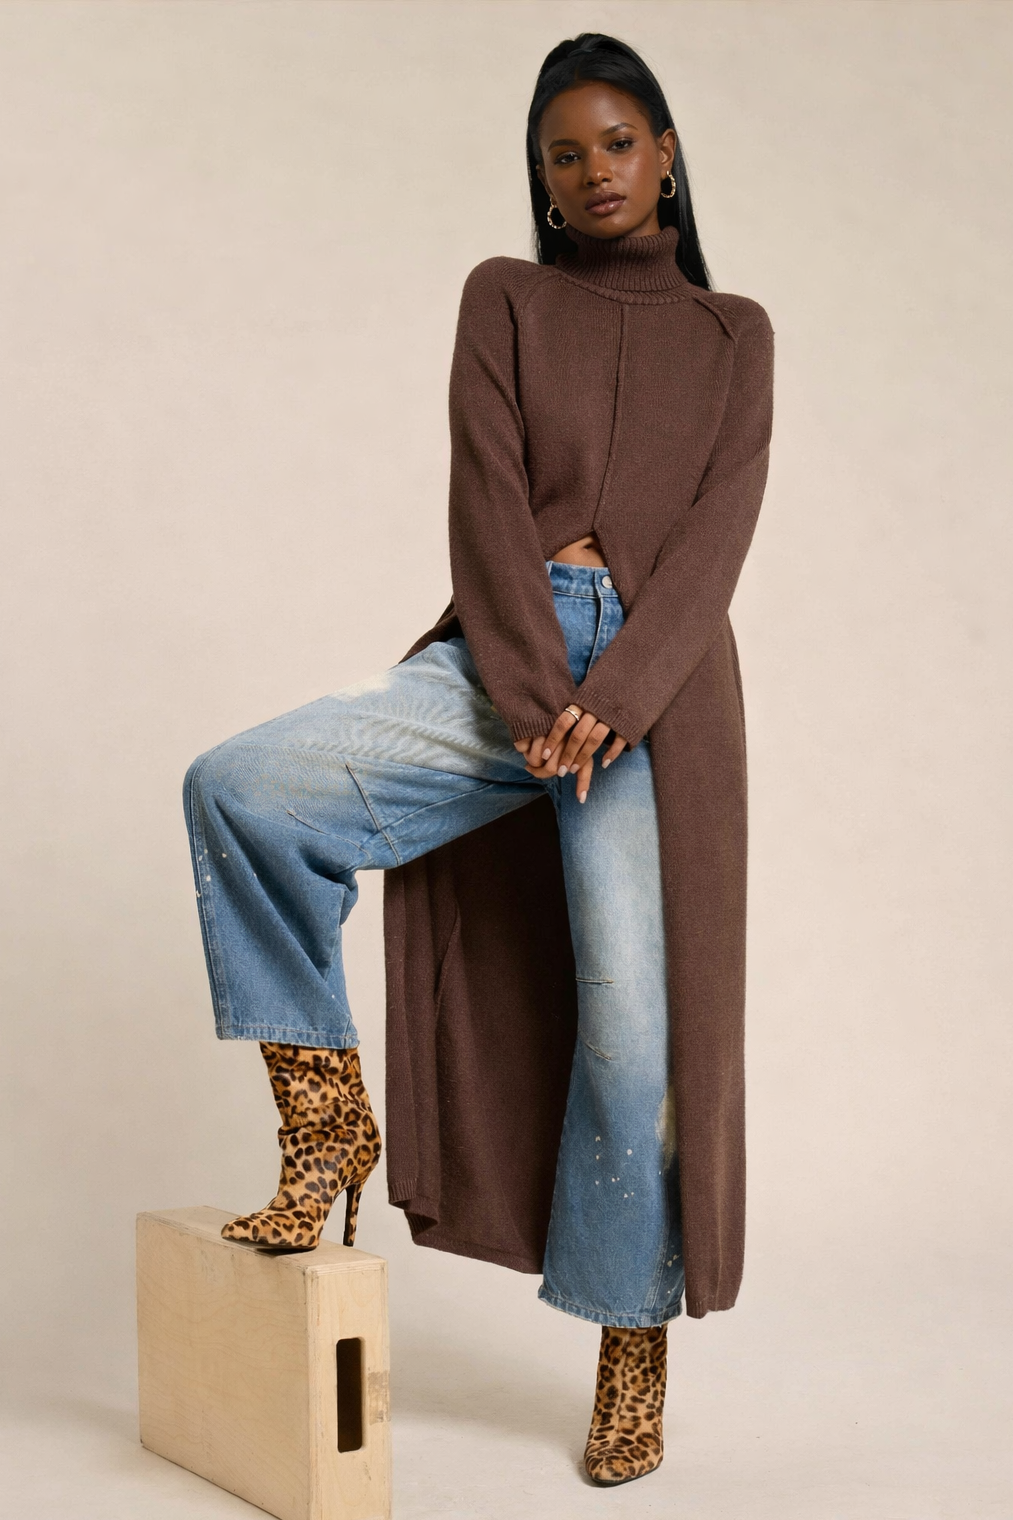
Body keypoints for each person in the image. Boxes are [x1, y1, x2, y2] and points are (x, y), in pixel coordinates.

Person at [183, 31, 774, 1489]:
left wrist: (618, 696)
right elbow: (485, 495)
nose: (594, 171)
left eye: (618, 141)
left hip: (662, 694)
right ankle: (327, 1125)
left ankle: (630, 1336)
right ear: (543, 179)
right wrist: (527, 690)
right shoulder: (503, 299)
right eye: (563, 153)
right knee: (243, 789)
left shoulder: (735, 337)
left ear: (669, 151)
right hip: (506, 661)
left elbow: (715, 546)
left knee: (637, 1036)